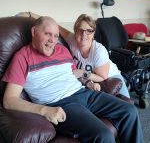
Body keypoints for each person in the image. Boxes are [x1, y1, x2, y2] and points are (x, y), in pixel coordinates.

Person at [2, 16, 144, 143]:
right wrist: (44, 110)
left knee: (129, 111)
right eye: (47, 34)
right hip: (62, 104)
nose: (52, 40)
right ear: (34, 32)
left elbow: (74, 73)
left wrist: (88, 82)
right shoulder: (22, 58)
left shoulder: (62, 50)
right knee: (103, 134)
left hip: (84, 93)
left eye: (56, 36)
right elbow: (9, 100)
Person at [16, 12, 130, 98]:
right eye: (80, 30)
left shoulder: (99, 51)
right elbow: (56, 26)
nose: (84, 34)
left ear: (93, 33)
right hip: (89, 80)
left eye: (89, 31)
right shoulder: (72, 39)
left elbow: (103, 77)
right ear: (75, 31)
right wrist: (31, 14)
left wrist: (82, 73)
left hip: (110, 78)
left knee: (126, 103)